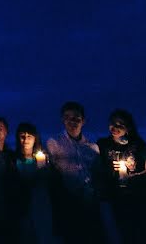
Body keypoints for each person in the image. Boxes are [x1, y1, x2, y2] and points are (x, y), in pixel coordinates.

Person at [46, 101, 106, 244]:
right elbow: (50, 171)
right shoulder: (54, 143)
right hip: (68, 203)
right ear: (62, 119)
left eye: (76, 117)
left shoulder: (92, 147)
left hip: (91, 202)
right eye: (67, 117)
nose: (71, 121)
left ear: (83, 121)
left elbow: (98, 173)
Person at [95, 109, 146, 244]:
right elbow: (95, 169)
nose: (115, 127)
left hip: (138, 199)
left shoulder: (138, 145)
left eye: (120, 124)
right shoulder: (103, 145)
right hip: (114, 198)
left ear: (128, 127)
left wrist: (132, 176)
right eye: (113, 123)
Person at [12, 122, 55, 244]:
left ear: (35, 138)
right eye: (22, 136)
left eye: (29, 136)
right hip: (22, 204)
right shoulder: (13, 160)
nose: (25, 139)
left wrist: (45, 172)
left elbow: (50, 180)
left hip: (41, 202)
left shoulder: (43, 159)